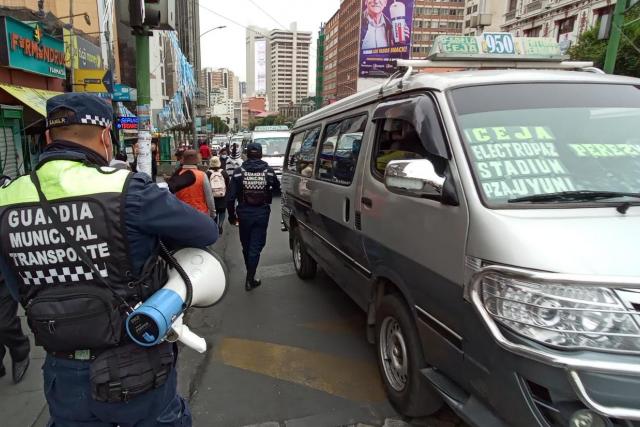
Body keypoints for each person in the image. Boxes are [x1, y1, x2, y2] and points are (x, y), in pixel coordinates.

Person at [0, 93, 218, 426]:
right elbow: (205, 231)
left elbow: (14, 285)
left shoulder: (6, 198)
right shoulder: (127, 189)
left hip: (63, 371)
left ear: (48, 137)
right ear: (105, 137)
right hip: (137, 363)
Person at [227, 143, 280, 291]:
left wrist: (231, 216)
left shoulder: (238, 172)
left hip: (244, 214)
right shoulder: (269, 172)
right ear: (261, 154)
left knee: (246, 245)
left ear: (247, 154)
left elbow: (230, 198)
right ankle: (250, 278)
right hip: (262, 213)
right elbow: (277, 188)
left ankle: (250, 275)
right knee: (256, 246)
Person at [175, 150, 217, 220]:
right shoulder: (202, 175)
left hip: (182, 215)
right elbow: (209, 197)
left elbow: (173, 197)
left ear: (183, 160)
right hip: (201, 214)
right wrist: (213, 213)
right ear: (197, 161)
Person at [207, 156, 230, 235]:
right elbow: (228, 185)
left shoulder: (207, 173)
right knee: (222, 212)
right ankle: (220, 226)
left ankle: (214, 227)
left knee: (214, 212)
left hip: (212, 197)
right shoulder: (224, 172)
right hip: (222, 196)